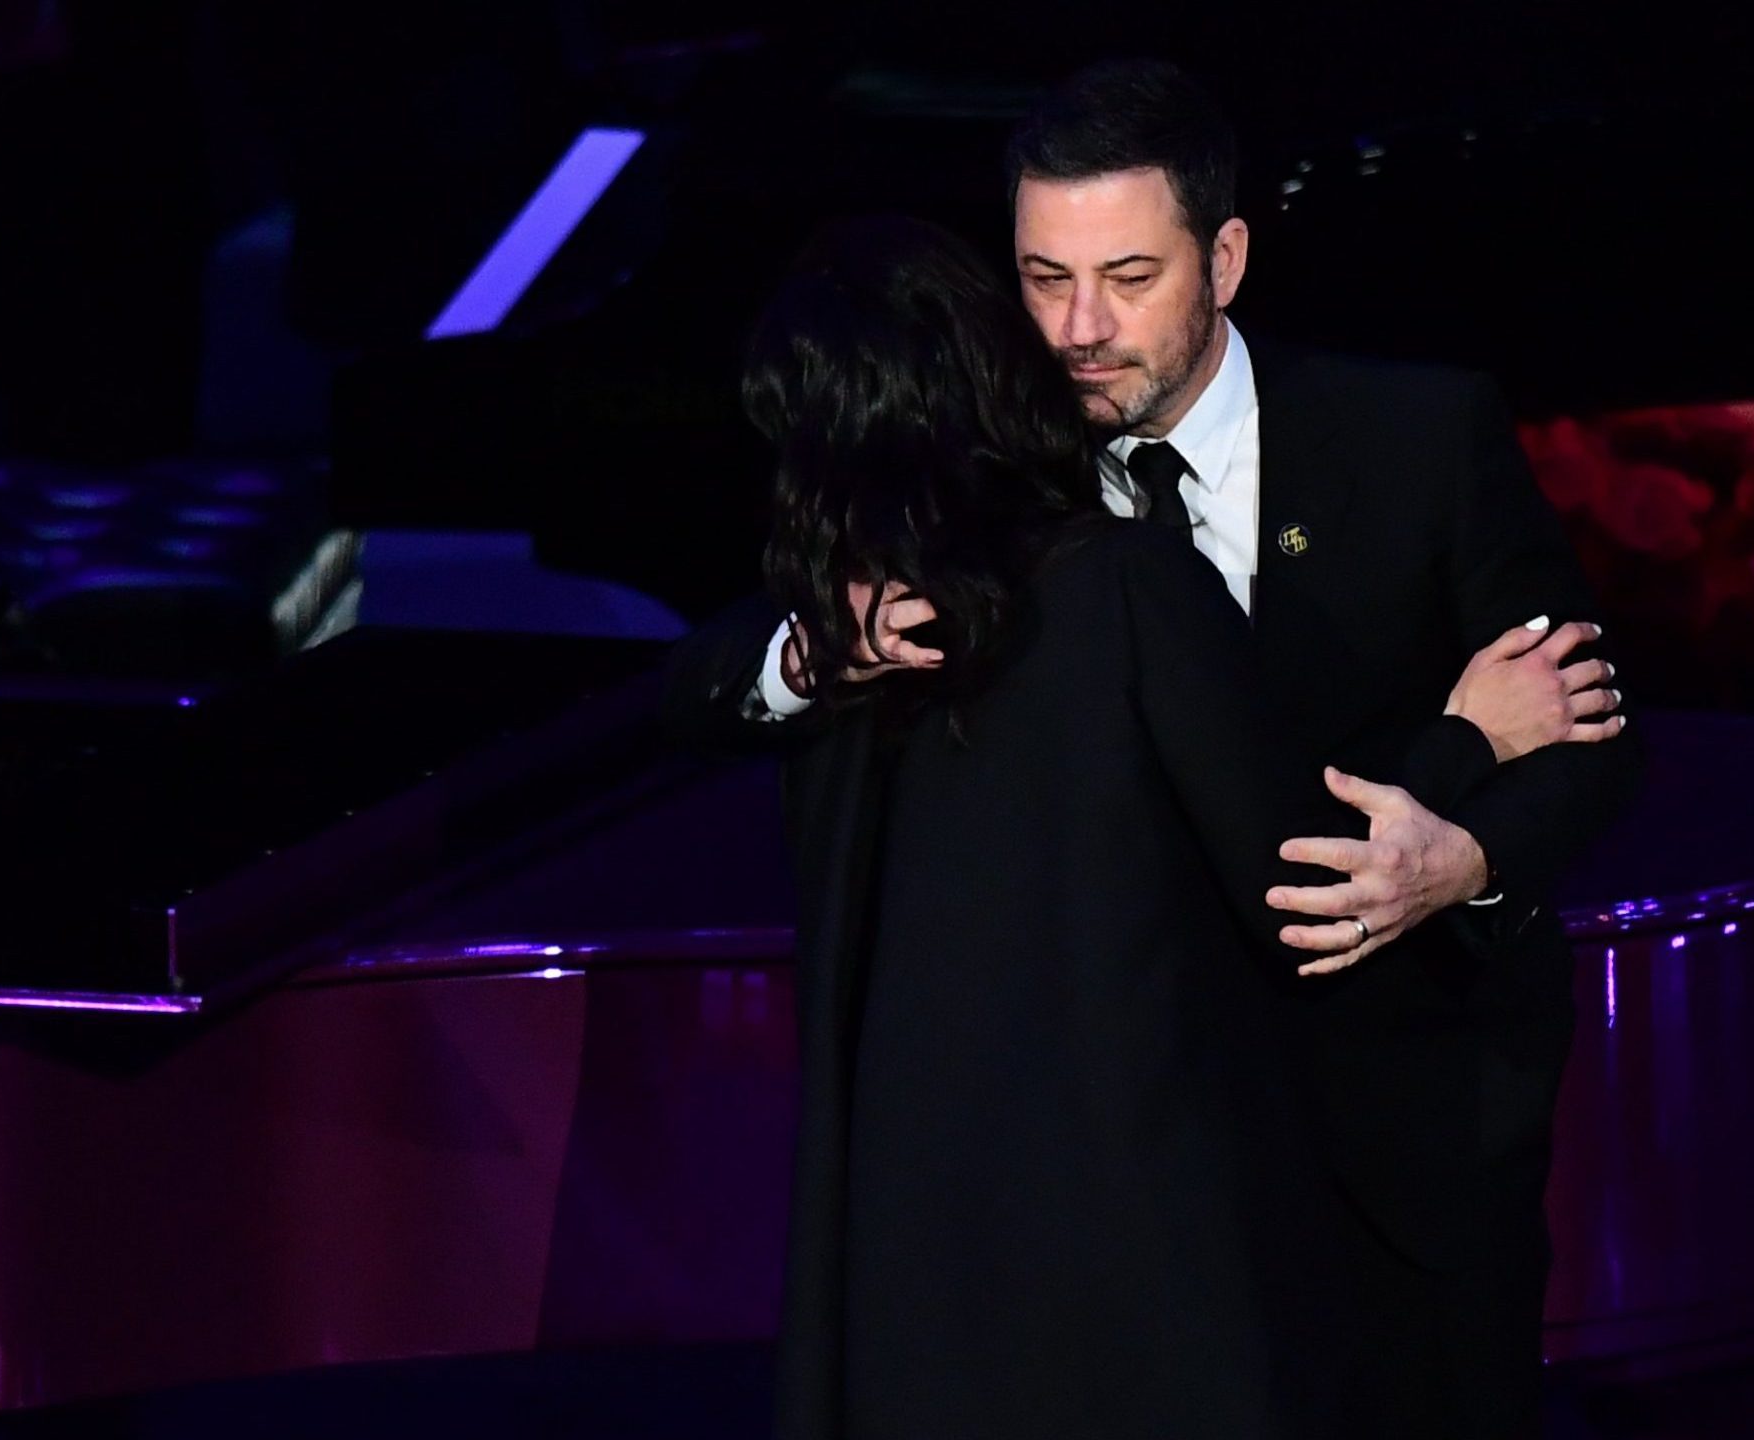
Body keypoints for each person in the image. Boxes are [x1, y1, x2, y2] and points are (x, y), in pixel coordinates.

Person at [674, 60, 1645, 1438]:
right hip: (1161, 1181)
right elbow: (705, 669)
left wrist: (1466, 857)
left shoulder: (1417, 437)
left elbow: (1588, 734)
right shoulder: (1006, 479)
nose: (1078, 330)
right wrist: (808, 647)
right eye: (1042, 278)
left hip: (1404, 1121)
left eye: (1128, 279)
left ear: (1226, 257)